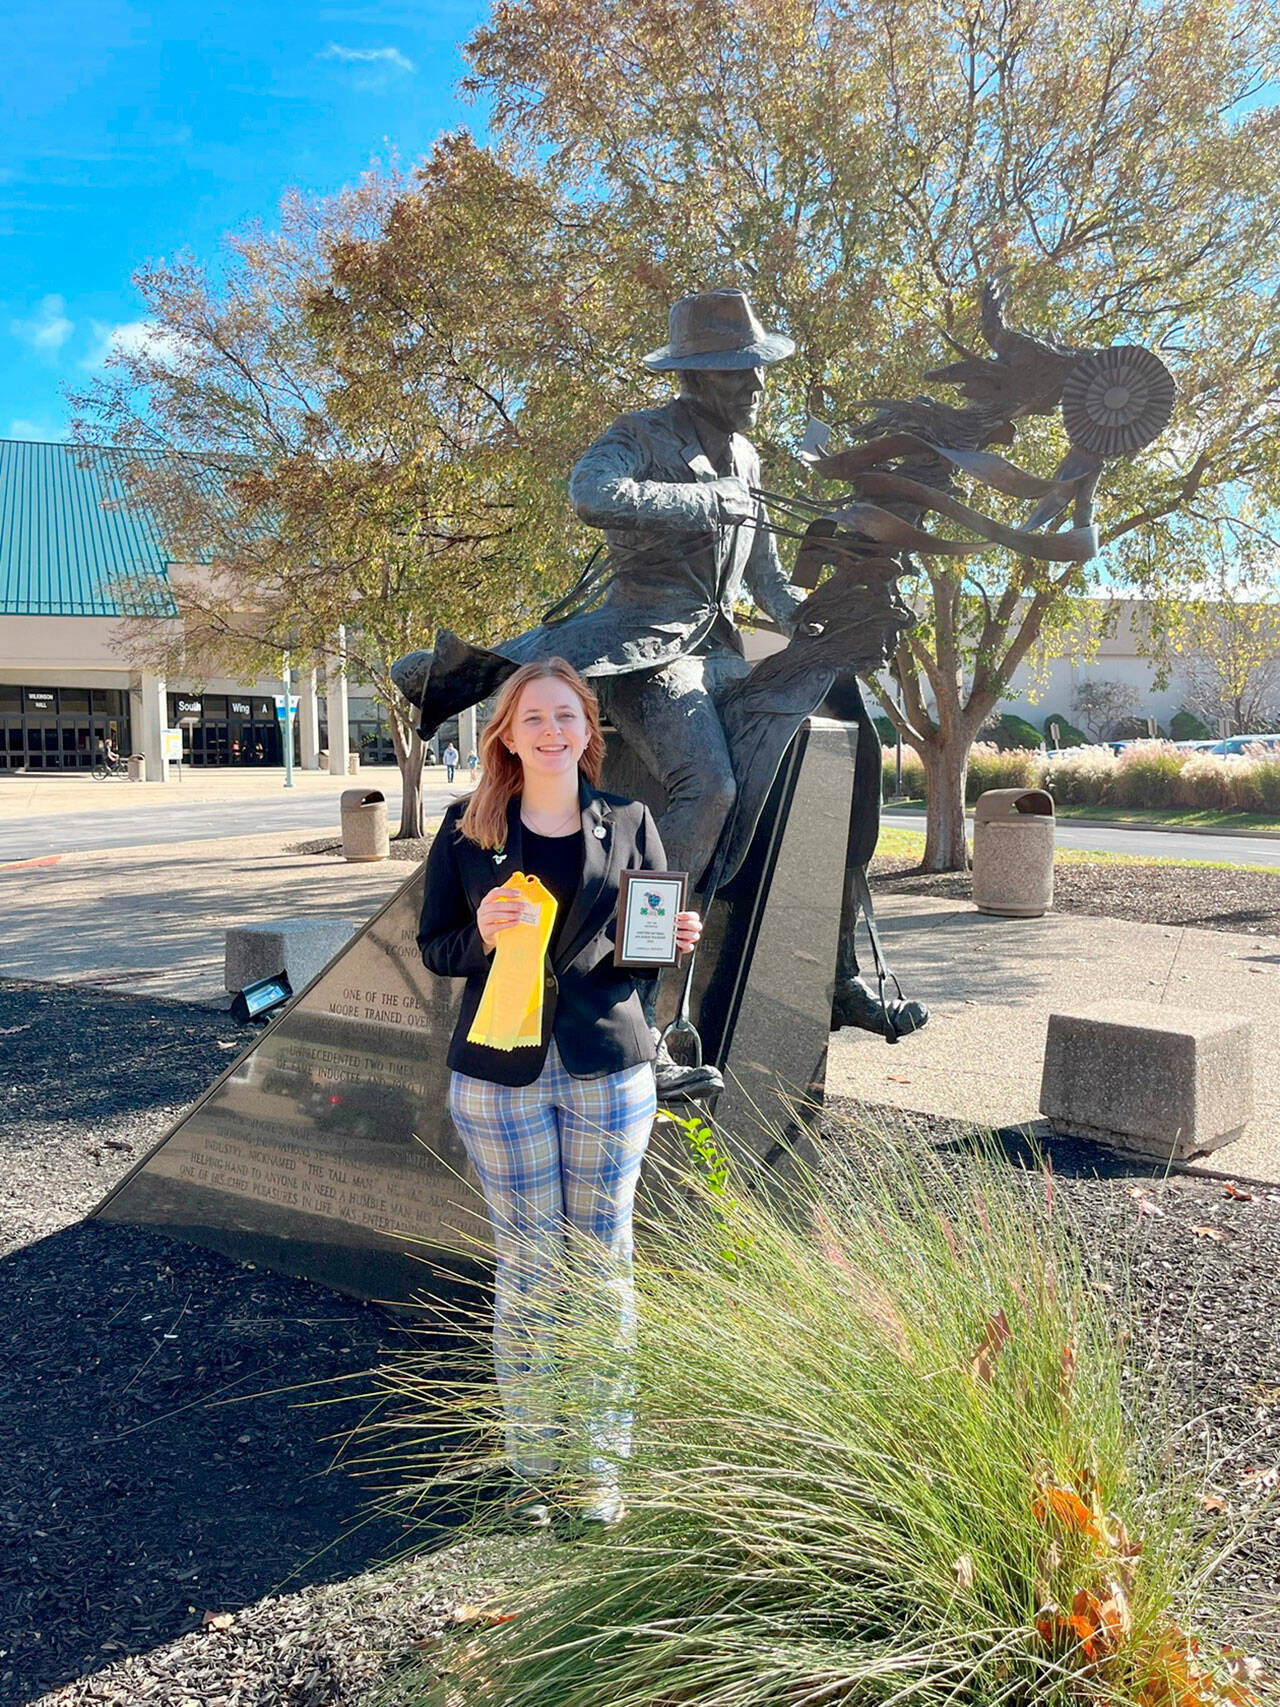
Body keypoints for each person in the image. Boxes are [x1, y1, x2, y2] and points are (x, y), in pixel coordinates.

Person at [417, 657, 702, 1528]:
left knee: (602, 1266)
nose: (550, 731)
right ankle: (534, 1467)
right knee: (532, 1266)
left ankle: (599, 1467)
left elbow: (637, 959)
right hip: (498, 1078)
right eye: (533, 718)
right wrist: (481, 932)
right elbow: (435, 946)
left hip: (606, 1071)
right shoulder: (466, 831)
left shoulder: (631, 822)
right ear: (506, 733)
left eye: (565, 716)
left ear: (587, 730)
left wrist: (669, 940)